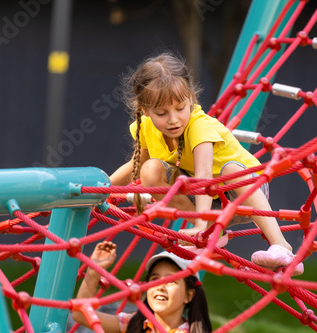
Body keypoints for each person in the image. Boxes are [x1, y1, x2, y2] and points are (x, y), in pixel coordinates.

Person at [109, 52, 303, 275]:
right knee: (150, 170)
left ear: (190, 98)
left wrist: (201, 224)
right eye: (161, 113)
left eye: (180, 108)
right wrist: (105, 187)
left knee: (230, 169)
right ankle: (212, 232)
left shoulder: (199, 127)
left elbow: (203, 175)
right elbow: (137, 163)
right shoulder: (145, 127)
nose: (173, 119)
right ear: (145, 110)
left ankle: (281, 246)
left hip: (243, 190)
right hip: (204, 199)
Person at [72, 241, 212, 333]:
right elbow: (81, 314)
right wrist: (94, 270)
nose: (160, 286)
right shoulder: (134, 324)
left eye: (171, 280)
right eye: (155, 279)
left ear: (189, 295)